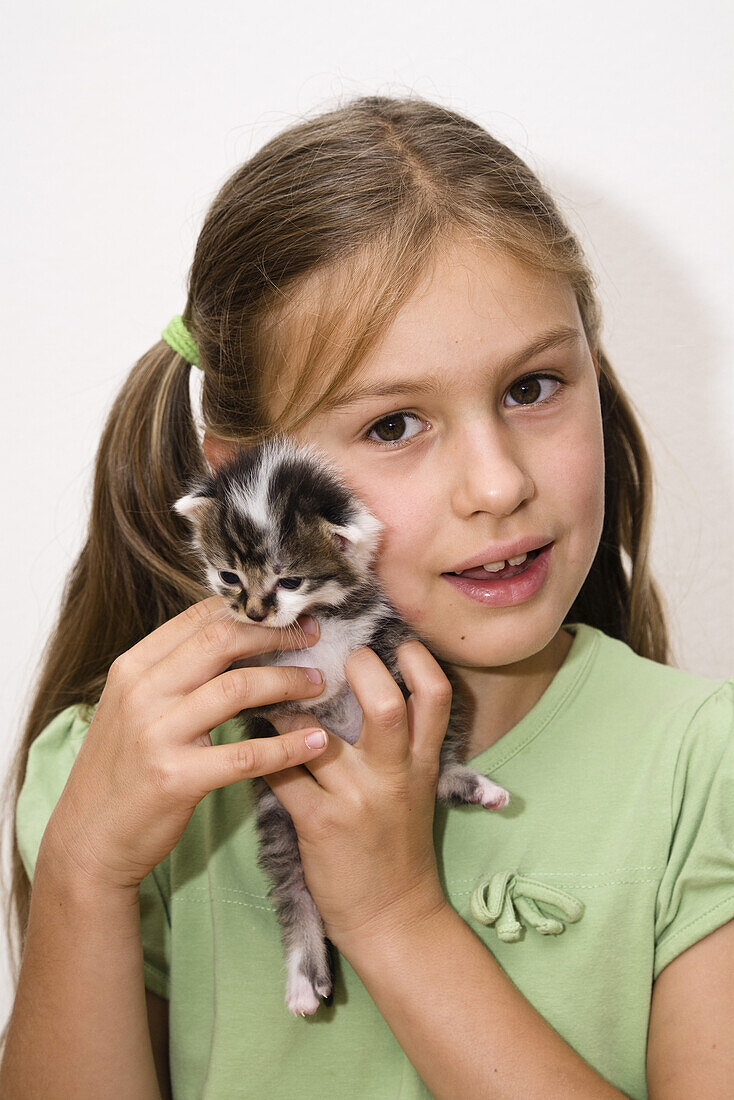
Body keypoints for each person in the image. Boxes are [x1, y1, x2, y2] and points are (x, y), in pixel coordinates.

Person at [1, 94, 732, 1100]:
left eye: (530, 387)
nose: (495, 484)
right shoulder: (136, 777)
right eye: (393, 424)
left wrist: (394, 917)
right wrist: (83, 874)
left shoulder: (704, 768)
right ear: (252, 480)